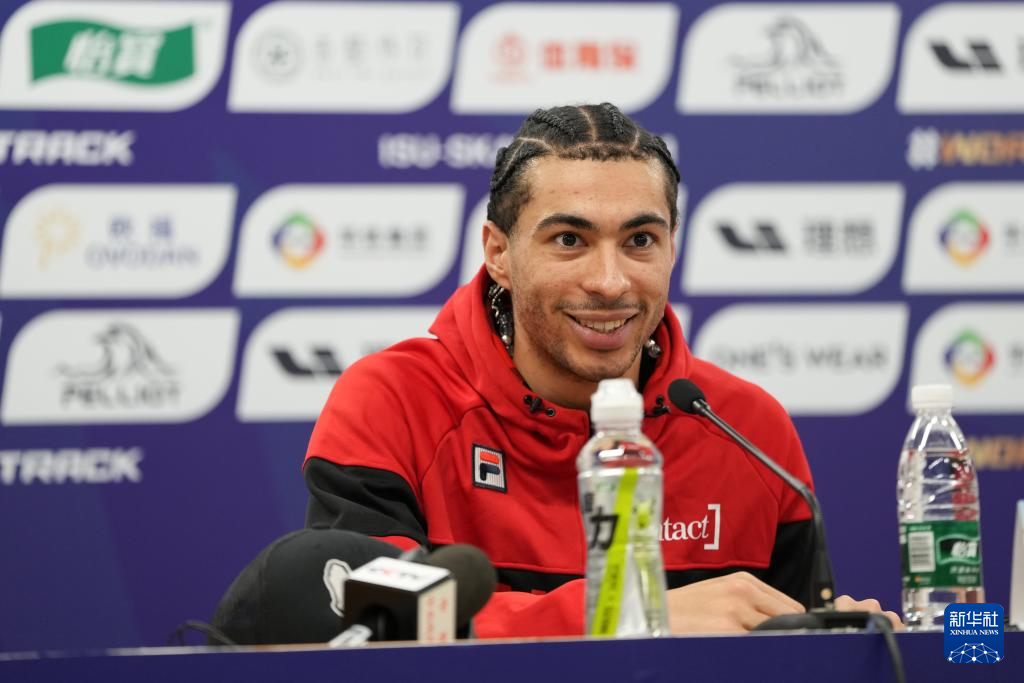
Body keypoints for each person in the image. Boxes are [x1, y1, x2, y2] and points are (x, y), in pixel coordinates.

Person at [303, 103, 898, 637]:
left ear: (672, 248)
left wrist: (846, 647)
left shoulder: (746, 427)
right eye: (569, 240)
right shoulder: (393, 401)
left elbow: (788, 652)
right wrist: (625, 617)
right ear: (499, 253)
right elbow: (365, 624)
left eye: (640, 240)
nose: (610, 282)